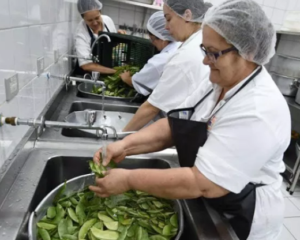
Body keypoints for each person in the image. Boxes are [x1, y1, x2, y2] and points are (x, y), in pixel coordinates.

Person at [89, 0, 291, 239]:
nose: (205, 61)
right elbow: (178, 124)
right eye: (205, 50)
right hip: (213, 199)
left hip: (243, 217)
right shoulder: (218, 82)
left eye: (213, 53)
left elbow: (203, 182)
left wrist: (129, 179)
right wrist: (124, 144)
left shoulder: (259, 110)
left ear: (245, 54)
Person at [122, 0, 211, 131]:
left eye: (168, 19)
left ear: (187, 15)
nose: (166, 27)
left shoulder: (185, 57)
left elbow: (151, 108)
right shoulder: (200, 40)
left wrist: (119, 138)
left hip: (188, 130)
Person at [120, 11, 181, 96]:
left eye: (153, 40)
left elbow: (139, 84)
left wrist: (126, 78)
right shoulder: (179, 46)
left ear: (163, 39)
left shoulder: (160, 61)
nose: (152, 43)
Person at [75, 0, 124, 75]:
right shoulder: (81, 33)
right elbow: (86, 65)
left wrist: (119, 38)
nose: (95, 23)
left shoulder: (108, 20)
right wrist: (116, 72)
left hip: (107, 71)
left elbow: (112, 46)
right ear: (83, 18)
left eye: (97, 18)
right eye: (90, 20)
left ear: (100, 12)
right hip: (88, 76)